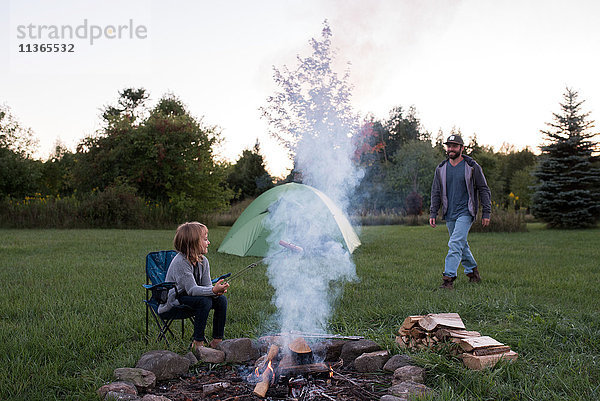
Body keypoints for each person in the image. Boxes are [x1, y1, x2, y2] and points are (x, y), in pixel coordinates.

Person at [429, 134, 491, 289]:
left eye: (455, 146)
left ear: (462, 148)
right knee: (461, 244)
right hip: (449, 212)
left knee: (455, 243)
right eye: (449, 146)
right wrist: (433, 212)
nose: (451, 149)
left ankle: (448, 279)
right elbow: (436, 191)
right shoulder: (441, 168)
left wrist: (486, 212)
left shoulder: (472, 167)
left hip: (466, 211)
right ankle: (473, 272)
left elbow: (483, 189)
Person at [158, 222, 229, 351]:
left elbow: (206, 286)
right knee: (204, 301)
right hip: (176, 299)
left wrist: (216, 291)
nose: (209, 243)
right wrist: (213, 290)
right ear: (193, 243)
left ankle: (217, 340)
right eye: (205, 239)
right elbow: (191, 290)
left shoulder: (203, 261)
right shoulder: (181, 262)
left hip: (193, 297)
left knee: (221, 300)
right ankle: (198, 343)